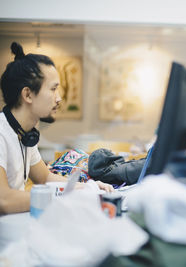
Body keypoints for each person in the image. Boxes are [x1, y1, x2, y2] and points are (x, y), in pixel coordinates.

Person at [0, 42, 113, 215]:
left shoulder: (25, 135)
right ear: (28, 94)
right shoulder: (1, 133)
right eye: (53, 89)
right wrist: (62, 196)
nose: (59, 98)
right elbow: (4, 200)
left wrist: (88, 188)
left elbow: (45, 178)